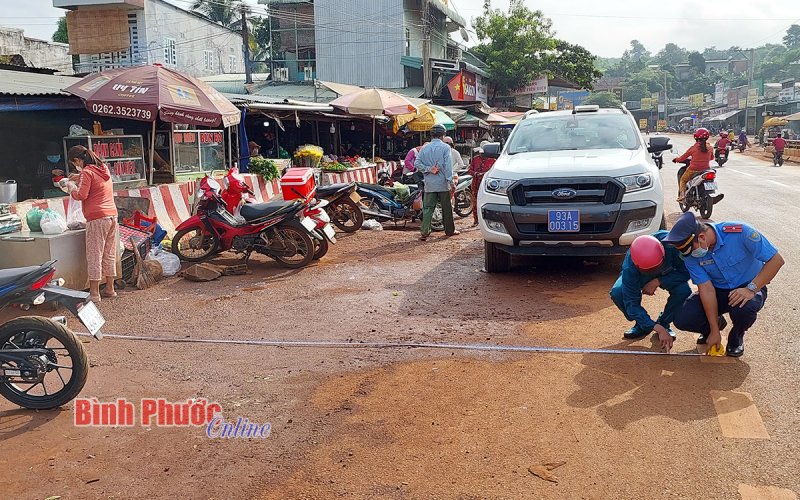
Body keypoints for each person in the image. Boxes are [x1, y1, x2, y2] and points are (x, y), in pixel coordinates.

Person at [664, 212, 784, 357]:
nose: (689, 255)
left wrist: (750, 289)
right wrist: (714, 330)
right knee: (684, 318)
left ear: (701, 237)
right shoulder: (691, 255)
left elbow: (776, 260)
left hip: (750, 286)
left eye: (690, 250)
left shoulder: (740, 232)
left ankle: (736, 337)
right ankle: (712, 328)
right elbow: (706, 289)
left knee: (745, 308)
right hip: (717, 290)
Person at [610, 233, 691, 351]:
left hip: (667, 274)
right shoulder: (630, 268)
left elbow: (685, 272)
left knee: (683, 291)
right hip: (639, 276)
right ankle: (643, 325)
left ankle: (664, 322)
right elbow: (631, 304)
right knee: (618, 293)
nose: (653, 271)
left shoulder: (673, 243)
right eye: (648, 270)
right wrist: (657, 328)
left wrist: (658, 281)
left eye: (655, 268)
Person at [66, 145, 119, 303]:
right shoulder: (103, 169)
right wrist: (79, 177)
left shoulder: (87, 172)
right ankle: (110, 288)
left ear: (77, 160)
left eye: (74, 163)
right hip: (112, 215)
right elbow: (95, 182)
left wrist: (70, 188)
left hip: (97, 218)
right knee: (109, 253)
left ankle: (95, 293)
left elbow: (82, 195)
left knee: (94, 255)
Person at [414, 124, 458, 240]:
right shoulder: (445, 148)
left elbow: (417, 164)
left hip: (429, 184)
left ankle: (424, 232)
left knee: (428, 208)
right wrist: (451, 182)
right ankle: (449, 231)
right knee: (446, 208)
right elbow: (448, 167)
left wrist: (429, 169)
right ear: (443, 135)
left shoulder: (424, 148)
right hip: (443, 183)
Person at [673, 128, 714, 202]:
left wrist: (676, 159)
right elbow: (711, 158)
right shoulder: (710, 148)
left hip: (693, 170)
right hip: (706, 170)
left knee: (683, 180)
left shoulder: (693, 148)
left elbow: (682, 158)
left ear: (696, 137)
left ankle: (682, 195)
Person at [468, 141, 495, 226]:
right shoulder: (475, 159)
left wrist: (485, 174)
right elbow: (470, 170)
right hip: (476, 184)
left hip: (487, 184)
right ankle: (476, 221)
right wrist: (476, 173)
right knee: (475, 203)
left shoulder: (493, 160)